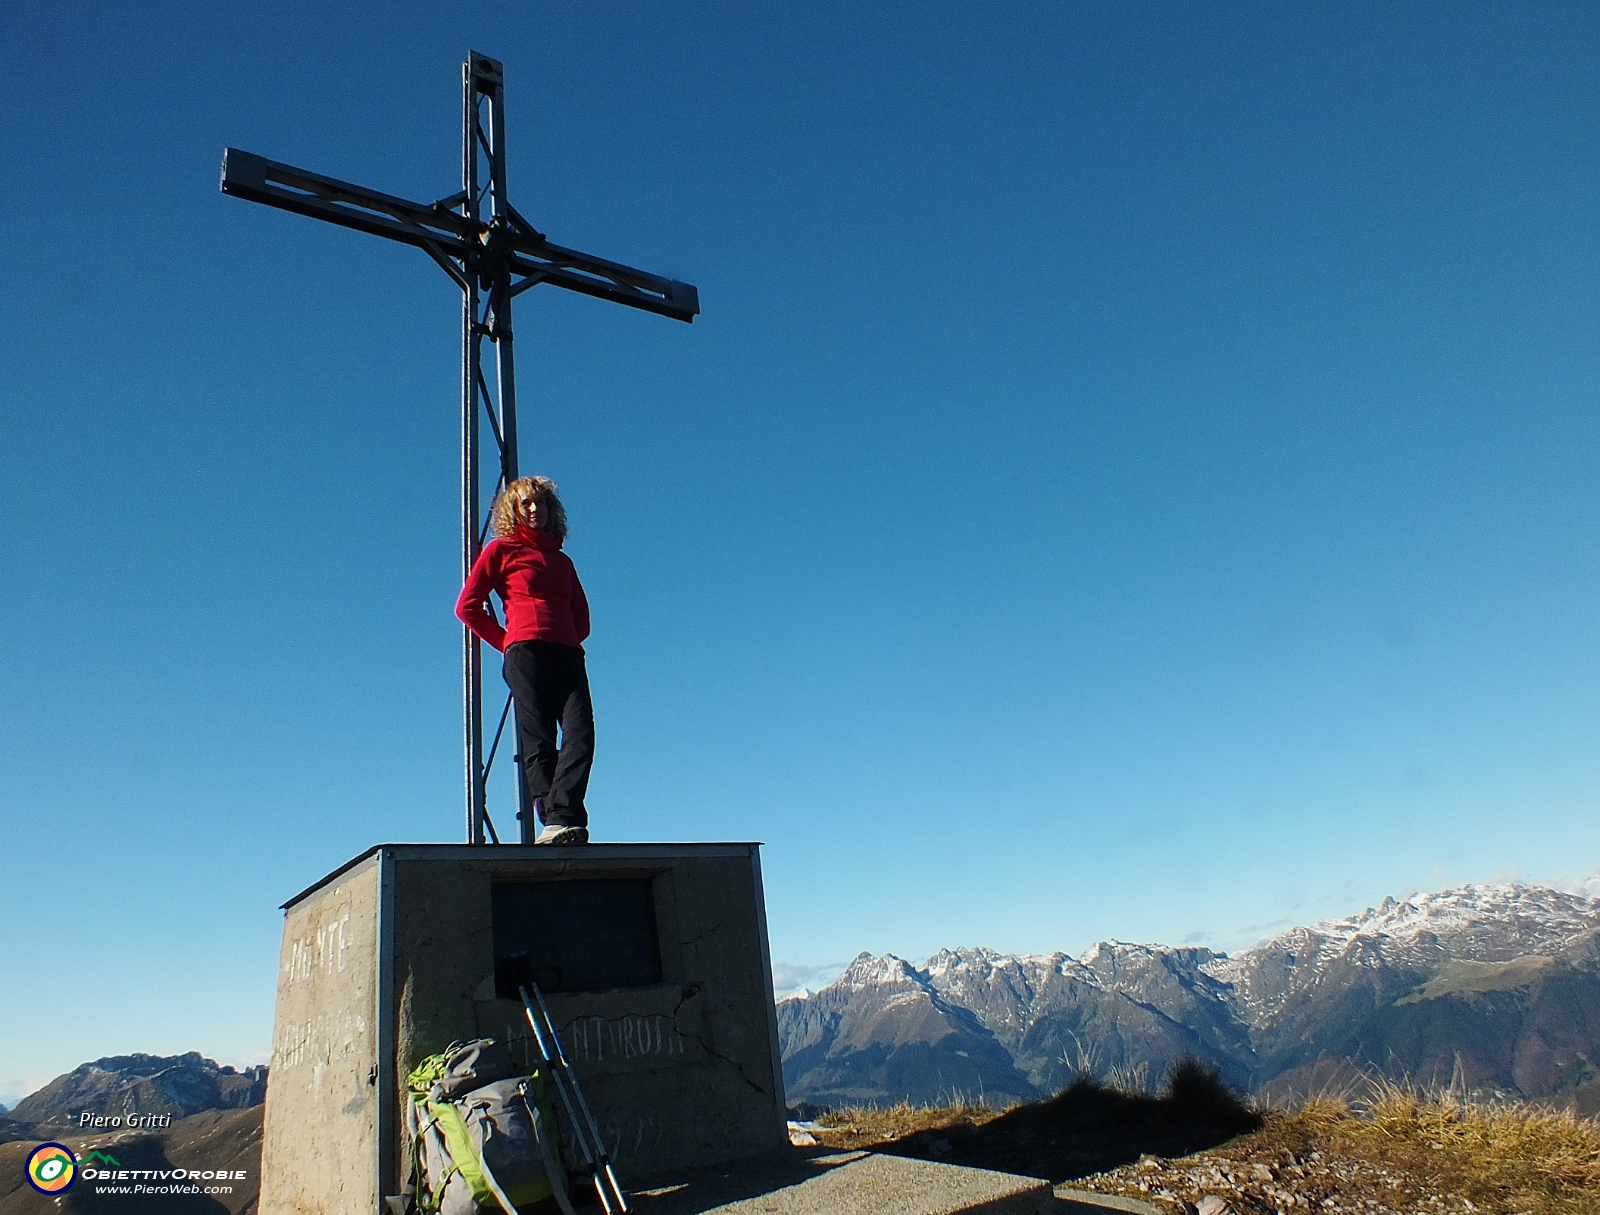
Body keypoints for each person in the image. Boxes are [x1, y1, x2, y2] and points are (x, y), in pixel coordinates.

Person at [456, 476, 594, 845]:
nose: (535, 510)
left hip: (567, 654)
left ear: (552, 511)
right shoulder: (501, 551)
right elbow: (467, 607)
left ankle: (563, 815)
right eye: (526, 504)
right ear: (514, 512)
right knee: (540, 740)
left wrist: (562, 636)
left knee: (581, 734)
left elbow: (582, 619)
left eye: (542, 504)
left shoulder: (562, 561)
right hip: (525, 653)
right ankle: (558, 821)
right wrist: (508, 642)